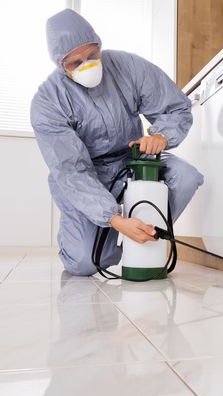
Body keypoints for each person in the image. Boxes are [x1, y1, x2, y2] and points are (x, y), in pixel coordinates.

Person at [31, 9, 203, 276]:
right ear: (60, 65)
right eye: (75, 63)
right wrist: (114, 219)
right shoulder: (48, 101)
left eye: (92, 55)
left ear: (99, 45)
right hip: (87, 176)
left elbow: (176, 108)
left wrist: (161, 136)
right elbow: (71, 170)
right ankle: (96, 236)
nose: (87, 65)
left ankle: (142, 239)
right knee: (85, 263)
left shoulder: (127, 66)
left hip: (132, 160)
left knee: (186, 176)